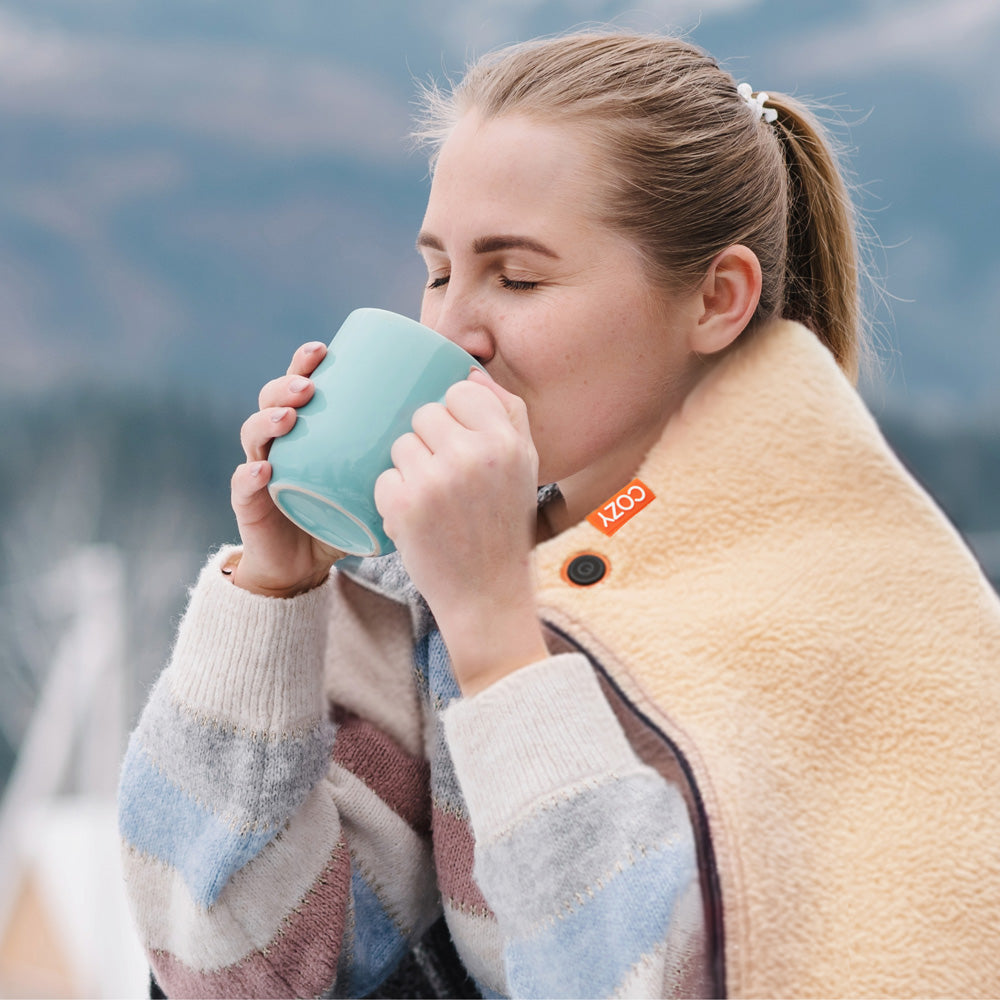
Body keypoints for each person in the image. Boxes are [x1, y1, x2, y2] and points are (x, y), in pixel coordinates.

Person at [117, 29, 1000, 999]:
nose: (455, 329)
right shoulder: (442, 571)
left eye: (519, 277)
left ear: (715, 299)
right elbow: (241, 971)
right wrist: (276, 593)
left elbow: (663, 978)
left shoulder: (840, 602)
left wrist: (498, 643)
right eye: (440, 271)